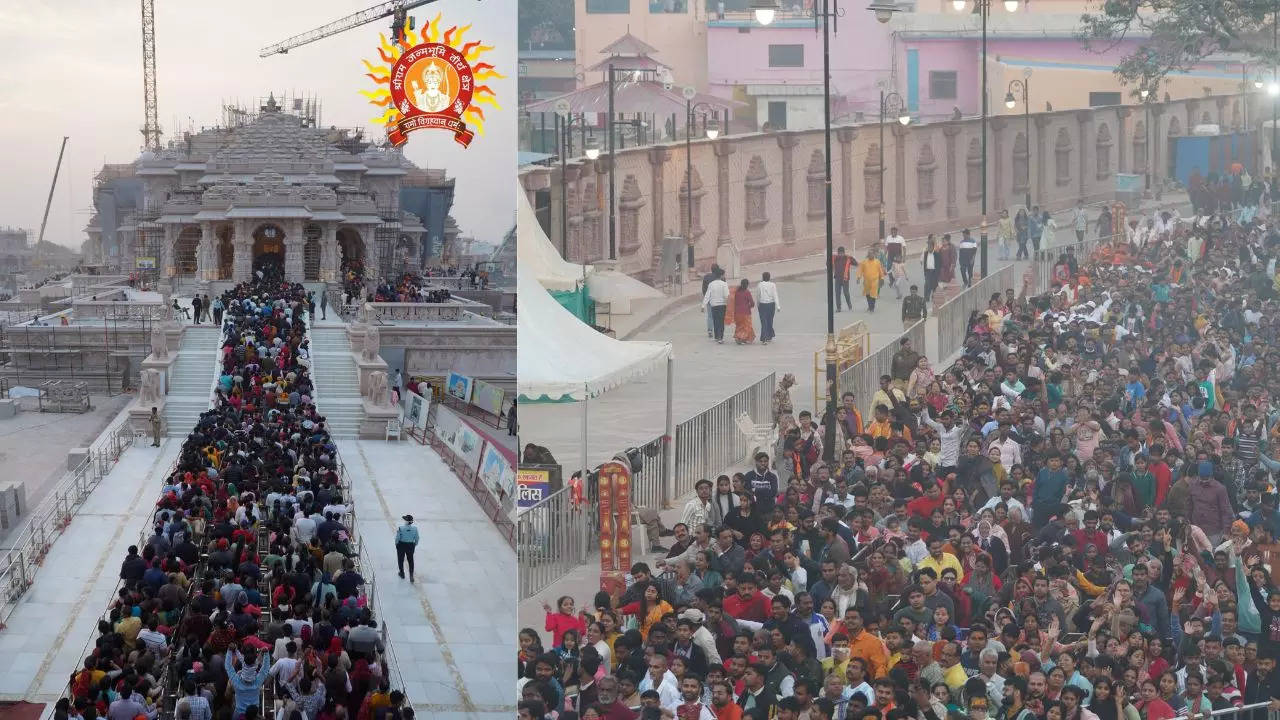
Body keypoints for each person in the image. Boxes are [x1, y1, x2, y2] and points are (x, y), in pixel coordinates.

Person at [704, 268, 730, 343]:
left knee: (715, 321)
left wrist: (703, 305)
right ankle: (720, 337)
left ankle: (716, 336)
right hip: (722, 305)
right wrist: (728, 304)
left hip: (714, 305)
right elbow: (726, 295)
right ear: (721, 276)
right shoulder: (724, 284)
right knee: (721, 321)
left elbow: (707, 295)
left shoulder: (711, 284)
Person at [757, 272, 780, 345]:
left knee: (764, 322)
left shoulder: (760, 285)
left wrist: (758, 304)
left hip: (762, 304)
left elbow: (758, 295)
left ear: (762, 277)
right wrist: (778, 306)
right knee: (770, 320)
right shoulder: (773, 285)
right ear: (769, 277)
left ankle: (764, 338)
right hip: (771, 305)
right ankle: (769, 335)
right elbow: (775, 295)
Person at [395, 513, 419, 581]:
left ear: (406, 521)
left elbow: (397, 538)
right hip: (410, 545)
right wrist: (414, 544)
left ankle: (402, 573)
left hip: (402, 545)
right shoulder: (415, 529)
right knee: (411, 560)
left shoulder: (401, 528)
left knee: (400, 559)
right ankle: (411, 575)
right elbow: (417, 538)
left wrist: (396, 544)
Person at [733, 279, 756, 345]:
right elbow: (752, 302)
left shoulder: (737, 292)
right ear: (747, 285)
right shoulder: (747, 292)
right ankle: (742, 338)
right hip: (745, 312)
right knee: (746, 326)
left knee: (739, 326)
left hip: (737, 312)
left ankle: (739, 337)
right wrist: (750, 306)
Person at [833, 247, 855, 311]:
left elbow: (855, 263)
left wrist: (852, 258)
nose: (840, 255)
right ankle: (838, 308)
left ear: (844, 253)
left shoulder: (848, 258)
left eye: (842, 253)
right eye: (839, 253)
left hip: (845, 279)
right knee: (837, 293)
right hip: (837, 279)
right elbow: (827, 264)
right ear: (837, 253)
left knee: (846, 293)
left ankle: (849, 305)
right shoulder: (835, 258)